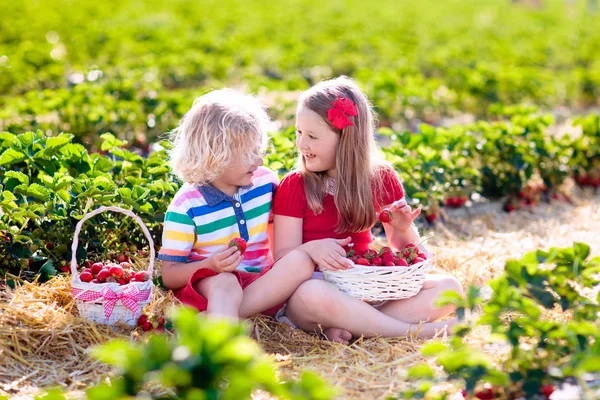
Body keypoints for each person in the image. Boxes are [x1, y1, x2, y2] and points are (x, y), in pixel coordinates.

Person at [273, 77, 463, 343]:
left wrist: (402, 228)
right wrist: (311, 249)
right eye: (298, 132)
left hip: (369, 288)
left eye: (312, 136)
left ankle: (357, 327)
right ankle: (409, 331)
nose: (302, 144)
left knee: (449, 288)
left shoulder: (381, 178)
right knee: (311, 294)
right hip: (316, 294)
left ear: (347, 139)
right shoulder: (295, 186)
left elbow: (408, 254)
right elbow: (281, 257)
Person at [158, 89, 314, 320]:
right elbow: (169, 275)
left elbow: (276, 240)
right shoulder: (186, 206)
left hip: (262, 283)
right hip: (212, 286)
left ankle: (217, 318)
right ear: (215, 155)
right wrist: (211, 265)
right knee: (226, 282)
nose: (259, 160)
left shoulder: (264, 182)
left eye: (257, 150)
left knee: (300, 261)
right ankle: (223, 339)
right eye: (248, 154)